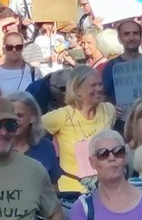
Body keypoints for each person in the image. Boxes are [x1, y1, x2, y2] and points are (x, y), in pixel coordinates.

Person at [41, 67, 116, 197]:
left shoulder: (109, 110)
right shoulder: (62, 116)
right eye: (93, 85)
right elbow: (30, 129)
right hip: (72, 192)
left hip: (105, 189)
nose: (99, 89)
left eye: (100, 84)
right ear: (78, 90)